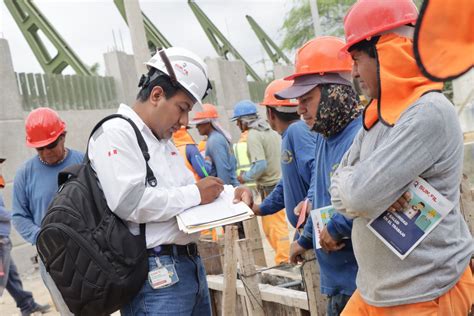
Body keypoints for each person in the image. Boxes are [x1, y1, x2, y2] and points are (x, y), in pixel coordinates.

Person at [329, 1, 474, 314]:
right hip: (375, 291)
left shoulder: (428, 112)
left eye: (356, 59)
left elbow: (360, 197)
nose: (352, 72)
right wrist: (355, 187)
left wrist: (356, 187)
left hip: (425, 293)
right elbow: (341, 186)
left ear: (387, 52)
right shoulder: (378, 115)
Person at [87, 47, 224, 315]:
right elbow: (129, 201)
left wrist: (229, 196)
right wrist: (196, 194)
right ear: (157, 95)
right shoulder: (116, 133)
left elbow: (188, 192)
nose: (185, 121)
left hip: (189, 268)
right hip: (156, 278)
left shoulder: (163, 142)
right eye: (182, 109)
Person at [276, 36, 362, 316]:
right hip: (336, 281)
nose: (299, 109)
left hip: (362, 284)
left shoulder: (363, 135)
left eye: (307, 99)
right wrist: (303, 240)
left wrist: (337, 228)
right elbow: (317, 190)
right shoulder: (325, 137)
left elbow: (372, 195)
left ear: (334, 92)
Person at [12, 107, 83, 315]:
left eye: (50, 145)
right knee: (67, 310)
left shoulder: (83, 162)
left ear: (63, 136)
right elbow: (19, 215)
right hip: (52, 259)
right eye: (39, 149)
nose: (46, 152)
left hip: (86, 251)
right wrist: (41, 237)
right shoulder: (25, 174)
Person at [235, 79, 317, 232]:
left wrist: (310, 202)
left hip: (311, 227)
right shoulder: (291, 134)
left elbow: (317, 172)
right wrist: (259, 208)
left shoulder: (296, 131)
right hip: (305, 227)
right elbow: (285, 185)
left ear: (270, 113)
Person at [231, 100, 290, 264]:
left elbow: (260, 165)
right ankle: (284, 258)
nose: (237, 125)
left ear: (244, 120)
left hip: (270, 187)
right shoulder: (270, 131)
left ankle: (284, 261)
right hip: (278, 182)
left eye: (238, 121)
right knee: (276, 225)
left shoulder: (254, 135)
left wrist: (245, 177)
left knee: (274, 227)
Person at [0, 158, 50, 316]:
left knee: (11, 277)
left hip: (3, 240)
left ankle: (27, 305)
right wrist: (16, 215)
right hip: (0, 241)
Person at [190, 103, 239, 187]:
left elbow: (223, 170)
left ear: (208, 123)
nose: (197, 127)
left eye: (199, 123)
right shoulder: (214, 138)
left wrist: (224, 192)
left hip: (228, 190)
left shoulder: (215, 141)